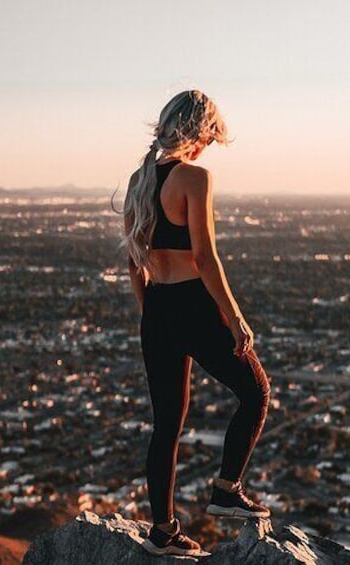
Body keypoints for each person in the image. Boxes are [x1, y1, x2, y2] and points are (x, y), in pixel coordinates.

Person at [115, 90, 272, 557]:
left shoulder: (138, 179)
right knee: (256, 391)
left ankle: (162, 530)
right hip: (194, 305)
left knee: (167, 423)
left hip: (158, 305)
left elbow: (133, 263)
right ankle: (226, 490)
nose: (208, 147)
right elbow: (205, 257)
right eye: (209, 136)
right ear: (199, 132)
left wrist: (150, 310)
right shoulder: (195, 177)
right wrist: (234, 316)